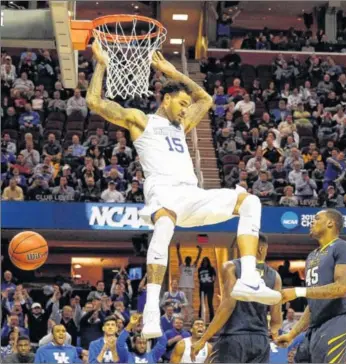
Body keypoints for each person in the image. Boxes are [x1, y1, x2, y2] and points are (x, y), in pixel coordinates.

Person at [87, 40, 280, 338]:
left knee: (250, 202)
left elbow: (203, 98)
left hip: (192, 194)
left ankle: (250, 277)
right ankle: (150, 312)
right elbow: (95, 103)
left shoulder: (181, 125)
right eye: (181, 103)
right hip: (162, 191)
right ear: (166, 100)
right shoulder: (142, 121)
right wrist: (101, 63)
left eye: (185, 107)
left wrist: (170, 70)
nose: (185, 109)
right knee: (164, 226)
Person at [276, 209, 346, 363]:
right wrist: (292, 334)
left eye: (317, 218)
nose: (312, 222)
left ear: (330, 223)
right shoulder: (312, 256)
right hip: (315, 327)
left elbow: (341, 288)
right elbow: (313, 304)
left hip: (338, 320)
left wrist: (298, 291)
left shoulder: (342, 247)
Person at [191, 233, 282, 363]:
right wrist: (274, 333)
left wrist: (203, 339)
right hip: (260, 341)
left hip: (234, 337)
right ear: (262, 249)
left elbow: (229, 305)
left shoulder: (231, 266)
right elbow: (276, 321)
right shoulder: (275, 276)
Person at [177, 243, 202, 318]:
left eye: (189, 260)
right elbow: (179, 259)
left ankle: (190, 317)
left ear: (190, 261)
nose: (188, 261)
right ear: (185, 260)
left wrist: (200, 251)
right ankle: (182, 316)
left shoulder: (192, 267)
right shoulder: (182, 266)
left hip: (190, 287)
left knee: (190, 303)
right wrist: (178, 250)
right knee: (183, 302)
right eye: (187, 260)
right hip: (183, 287)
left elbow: (197, 260)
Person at [198, 257, 216, 321]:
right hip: (202, 288)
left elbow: (214, 276)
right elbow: (199, 278)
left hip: (210, 287)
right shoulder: (200, 269)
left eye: (206, 261)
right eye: (204, 261)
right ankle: (200, 317)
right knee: (202, 303)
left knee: (210, 303)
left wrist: (212, 281)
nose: (205, 262)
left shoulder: (211, 268)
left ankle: (212, 319)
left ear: (208, 262)